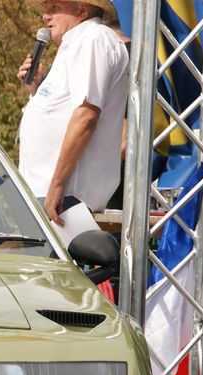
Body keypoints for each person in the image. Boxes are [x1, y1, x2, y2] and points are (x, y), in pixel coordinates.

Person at [16, 0, 129, 224]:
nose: (45, 16)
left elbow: (86, 114)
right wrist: (35, 89)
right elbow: (62, 112)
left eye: (53, 8)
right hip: (50, 192)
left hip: (65, 196)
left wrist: (57, 184)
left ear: (82, 10)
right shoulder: (77, 43)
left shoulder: (93, 38)